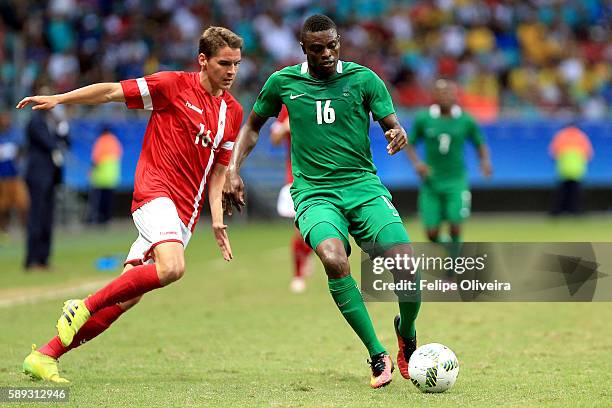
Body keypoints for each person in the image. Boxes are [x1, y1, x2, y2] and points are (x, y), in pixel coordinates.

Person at [17, 26, 243, 383]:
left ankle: (45, 355)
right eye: (224, 63)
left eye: (236, 64)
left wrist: (216, 219)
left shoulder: (232, 112)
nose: (232, 71)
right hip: (155, 193)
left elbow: (217, 173)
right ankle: (82, 306)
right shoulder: (170, 86)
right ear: (203, 60)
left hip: (184, 213)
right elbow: (110, 92)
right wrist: (61, 99)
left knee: (126, 297)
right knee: (172, 268)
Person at [224, 14, 420, 388]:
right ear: (304, 48)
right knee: (333, 257)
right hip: (314, 193)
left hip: (363, 188)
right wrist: (233, 167)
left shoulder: (364, 79)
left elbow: (391, 123)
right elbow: (252, 125)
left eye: (332, 45)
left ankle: (406, 332)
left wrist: (397, 133)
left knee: (407, 266)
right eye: (318, 48)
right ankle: (377, 355)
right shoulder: (283, 82)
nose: (327, 53)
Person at [405, 79, 492, 247]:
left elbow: (479, 143)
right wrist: (418, 163)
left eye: (448, 92)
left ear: (455, 95)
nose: (445, 95)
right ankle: (448, 247)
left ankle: (454, 262)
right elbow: (410, 144)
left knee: (455, 224)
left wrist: (485, 162)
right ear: (434, 95)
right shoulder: (424, 118)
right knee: (431, 233)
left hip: (456, 180)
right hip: (431, 182)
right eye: (440, 92)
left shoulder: (466, 120)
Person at [23, 93, 70, 270]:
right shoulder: (35, 121)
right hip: (38, 174)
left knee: (48, 217)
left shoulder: (53, 122)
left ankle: (44, 258)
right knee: (37, 216)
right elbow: (49, 143)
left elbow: (66, 143)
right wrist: (58, 132)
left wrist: (64, 129)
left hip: (51, 175)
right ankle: (32, 259)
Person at [269, 105, 313, 293]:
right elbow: (275, 138)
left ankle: (310, 251)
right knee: (302, 231)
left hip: (329, 176)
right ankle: (298, 275)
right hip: (298, 178)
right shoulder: (291, 104)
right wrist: (286, 127)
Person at [549, 124, 593, 215]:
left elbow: (553, 152)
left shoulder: (561, 135)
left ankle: (557, 212)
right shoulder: (581, 136)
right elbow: (589, 153)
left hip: (563, 169)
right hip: (577, 170)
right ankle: (575, 212)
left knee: (561, 193)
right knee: (575, 193)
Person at [0, 112, 29, 240]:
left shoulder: (14, 135)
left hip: (15, 176)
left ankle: (26, 230)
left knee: (23, 204)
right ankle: (3, 230)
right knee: (3, 206)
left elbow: (22, 149)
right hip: (2, 177)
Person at [87, 127, 123, 225]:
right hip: (112, 176)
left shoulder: (101, 141)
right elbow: (119, 155)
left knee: (98, 200)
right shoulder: (115, 141)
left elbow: (96, 157)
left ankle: (98, 219)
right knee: (109, 200)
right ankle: (108, 219)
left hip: (100, 176)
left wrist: (91, 170)